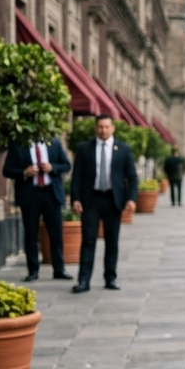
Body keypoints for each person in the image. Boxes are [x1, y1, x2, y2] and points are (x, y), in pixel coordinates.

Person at [69, 114, 137, 292]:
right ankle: (83, 280)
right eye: (100, 127)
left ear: (113, 128)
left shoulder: (123, 149)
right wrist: (75, 198)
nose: (103, 130)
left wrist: (131, 199)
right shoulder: (84, 149)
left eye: (107, 127)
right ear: (95, 129)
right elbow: (77, 176)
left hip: (113, 200)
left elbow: (132, 177)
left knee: (111, 241)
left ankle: (110, 278)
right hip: (91, 199)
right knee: (88, 240)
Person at [3, 136, 73, 281]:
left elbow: (66, 165)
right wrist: (24, 172)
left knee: (56, 234)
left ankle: (59, 269)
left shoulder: (54, 143)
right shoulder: (18, 144)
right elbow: (7, 170)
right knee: (30, 234)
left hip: (51, 194)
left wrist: (53, 167)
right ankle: (33, 271)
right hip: (29, 195)